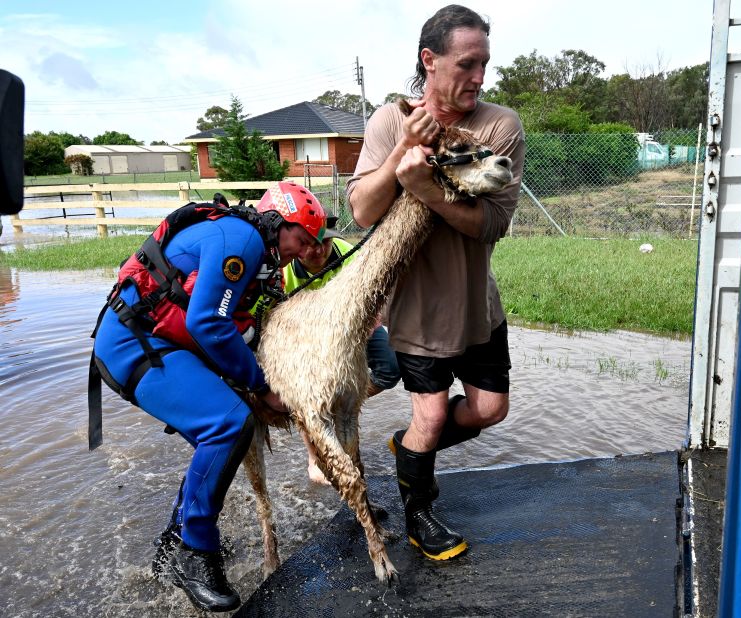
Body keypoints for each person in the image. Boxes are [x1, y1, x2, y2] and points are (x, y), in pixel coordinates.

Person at [89, 181, 326, 612]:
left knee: (218, 436)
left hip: (154, 342)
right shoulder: (242, 239)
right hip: (133, 347)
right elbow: (207, 324)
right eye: (302, 238)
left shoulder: (250, 247)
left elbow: (225, 323)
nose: (304, 250)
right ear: (279, 222)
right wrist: (259, 385)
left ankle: (174, 542)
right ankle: (194, 553)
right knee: (229, 424)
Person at [346, 4, 525, 561]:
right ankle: (421, 515)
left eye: (484, 64)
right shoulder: (386, 122)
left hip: (476, 307)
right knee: (431, 412)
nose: (479, 77)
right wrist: (403, 150)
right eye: (467, 64)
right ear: (430, 60)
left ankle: (406, 454)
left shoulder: (499, 126)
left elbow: (491, 223)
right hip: (416, 312)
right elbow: (361, 211)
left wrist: (424, 186)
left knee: (490, 409)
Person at [279, 212, 401, 484]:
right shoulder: (283, 270)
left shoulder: (348, 253)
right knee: (307, 398)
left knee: (391, 368)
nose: (320, 250)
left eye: (326, 242)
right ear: (298, 246)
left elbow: (373, 302)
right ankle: (314, 457)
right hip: (307, 338)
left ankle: (342, 405)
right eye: (312, 243)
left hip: (354, 330)